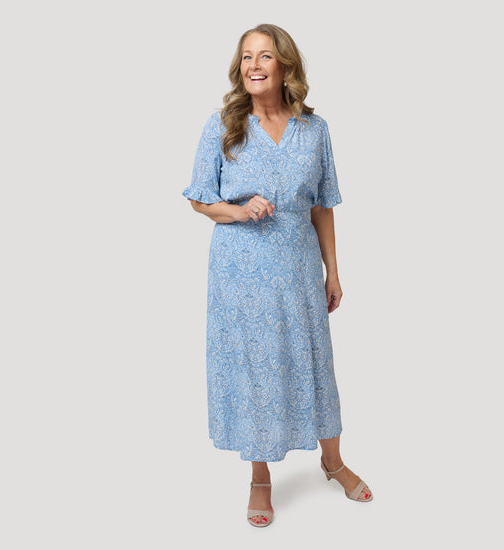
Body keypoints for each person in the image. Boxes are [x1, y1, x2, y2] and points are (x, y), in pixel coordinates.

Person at [182, 23, 373, 528]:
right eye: (247, 57)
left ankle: (332, 461)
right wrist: (238, 210)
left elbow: (323, 206)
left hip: (297, 268)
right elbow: (199, 199)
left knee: (315, 362)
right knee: (254, 369)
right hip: (240, 273)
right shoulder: (222, 126)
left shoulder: (315, 130)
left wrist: (333, 271)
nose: (254, 65)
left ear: (285, 65)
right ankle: (260, 476)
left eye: (265, 56)